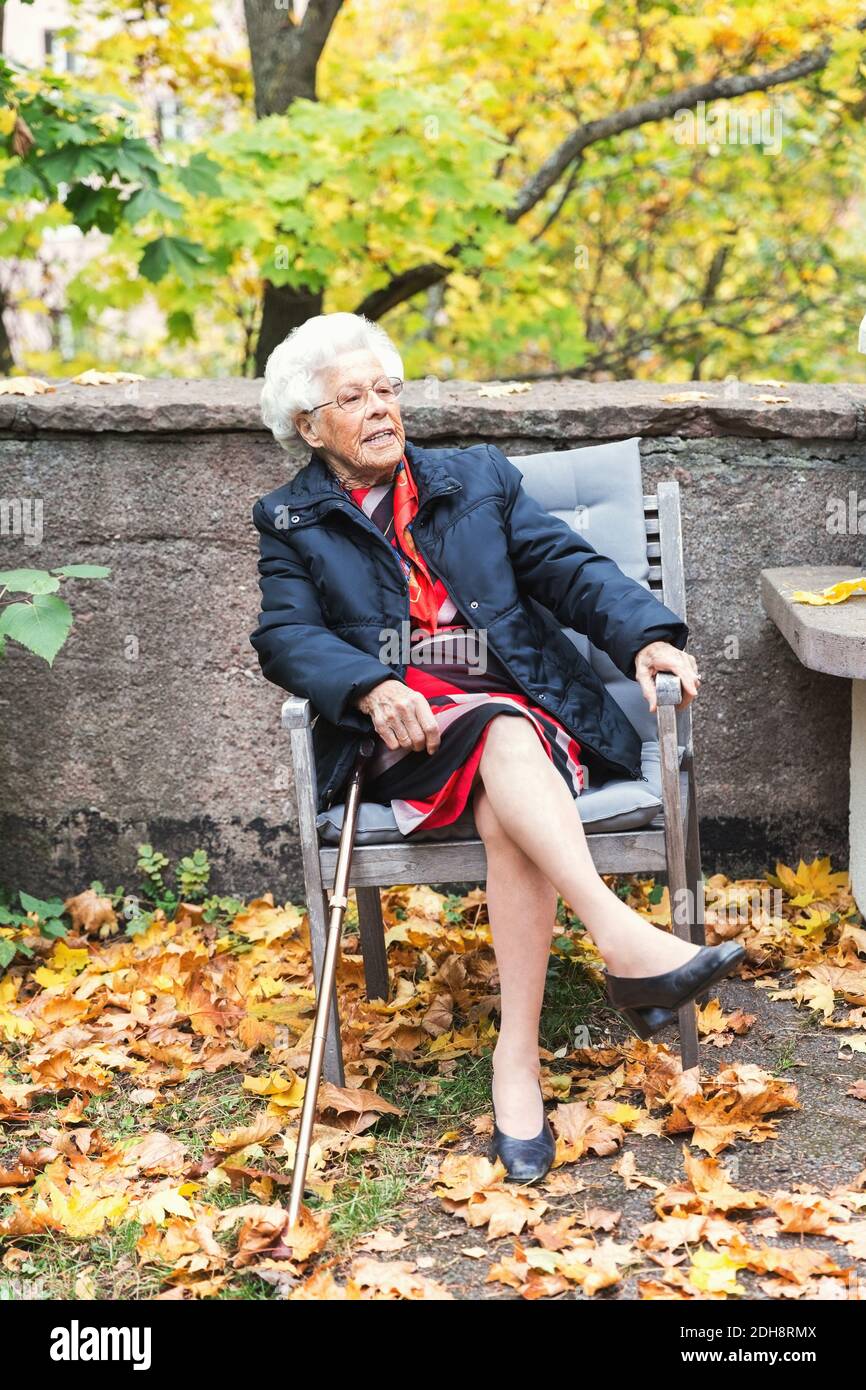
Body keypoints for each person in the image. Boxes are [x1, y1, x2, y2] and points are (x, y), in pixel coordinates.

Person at [249, 311, 744, 1182]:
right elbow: (286, 637)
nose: (379, 410)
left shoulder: (475, 477)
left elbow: (569, 567)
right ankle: (627, 946)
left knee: (506, 770)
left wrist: (645, 638)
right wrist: (369, 684)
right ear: (308, 424)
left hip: (513, 712)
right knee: (502, 737)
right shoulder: (290, 519)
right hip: (401, 733)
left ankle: (515, 1064)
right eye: (353, 397)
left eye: (387, 391)